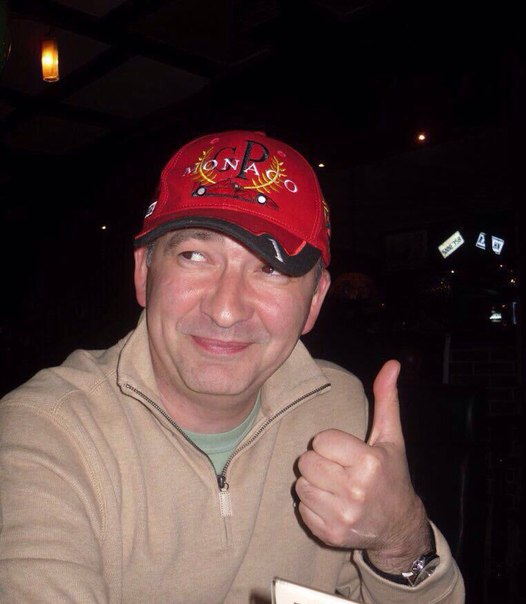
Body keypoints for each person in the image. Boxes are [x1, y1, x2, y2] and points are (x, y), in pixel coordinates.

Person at [0, 130, 464, 603]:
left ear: (315, 301)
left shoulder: (340, 411)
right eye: (195, 256)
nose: (226, 310)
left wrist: (400, 536)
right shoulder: (46, 431)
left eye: (271, 268)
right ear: (143, 273)